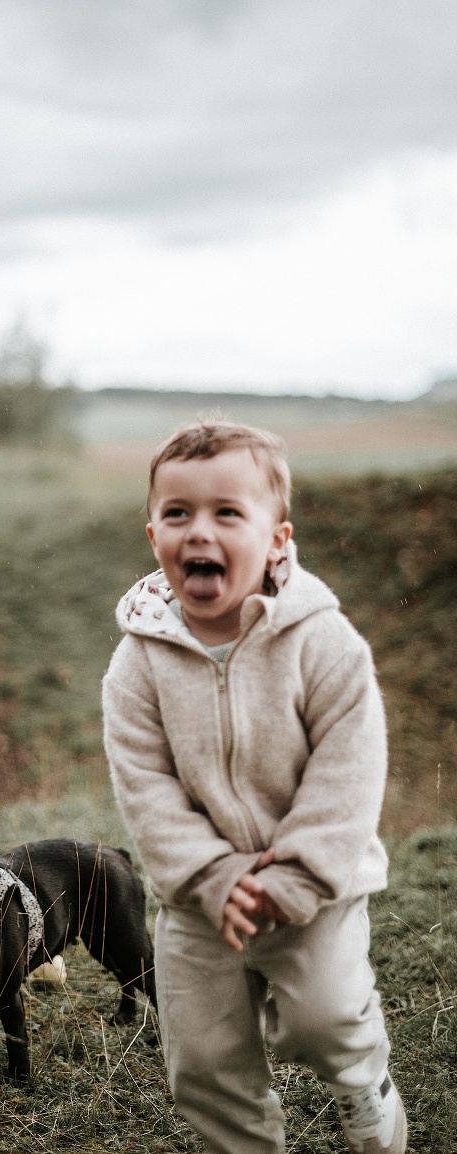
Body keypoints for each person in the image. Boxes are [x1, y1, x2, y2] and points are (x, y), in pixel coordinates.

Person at [102, 421, 407, 1154]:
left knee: (324, 1021)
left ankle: (366, 1086)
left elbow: (350, 768)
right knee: (204, 1063)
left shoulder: (324, 642)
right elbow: (146, 786)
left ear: (277, 539)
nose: (198, 530)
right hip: (200, 898)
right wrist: (212, 875)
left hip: (315, 891)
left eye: (227, 513)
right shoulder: (138, 662)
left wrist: (297, 875)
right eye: (178, 514)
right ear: (154, 535)